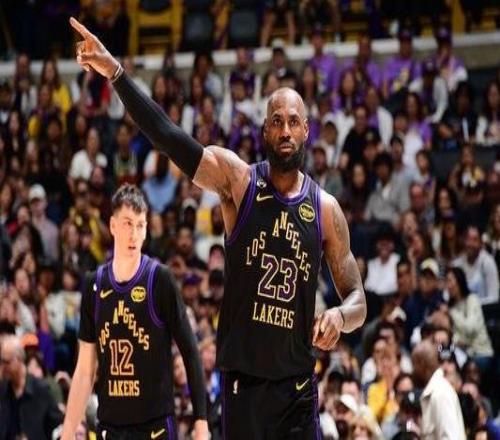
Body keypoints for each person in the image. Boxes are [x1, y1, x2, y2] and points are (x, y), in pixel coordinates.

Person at [70, 17, 367, 439]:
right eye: (276, 121)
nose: (285, 130)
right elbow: (168, 137)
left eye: (293, 122)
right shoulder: (239, 182)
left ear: (306, 130)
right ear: (265, 130)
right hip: (243, 385)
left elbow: (358, 300)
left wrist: (339, 315)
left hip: (297, 388)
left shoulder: (325, 209)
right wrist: (116, 73)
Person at [61, 184, 208, 439]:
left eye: (140, 226)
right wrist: (67, 431)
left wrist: (201, 423)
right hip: (110, 427)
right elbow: (85, 370)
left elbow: (191, 352)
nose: (134, 234)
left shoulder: (160, 279)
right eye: (127, 224)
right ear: (112, 225)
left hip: (154, 428)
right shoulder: (94, 285)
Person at [0, 334, 64, 440]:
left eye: (6, 362)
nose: (2, 367)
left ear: (19, 360)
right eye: (1, 362)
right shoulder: (3, 390)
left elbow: (58, 426)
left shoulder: (41, 390)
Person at [412, 340, 466, 440]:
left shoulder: (440, 393)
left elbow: (450, 438)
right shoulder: (436, 391)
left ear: (421, 364)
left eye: (414, 365)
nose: (413, 371)